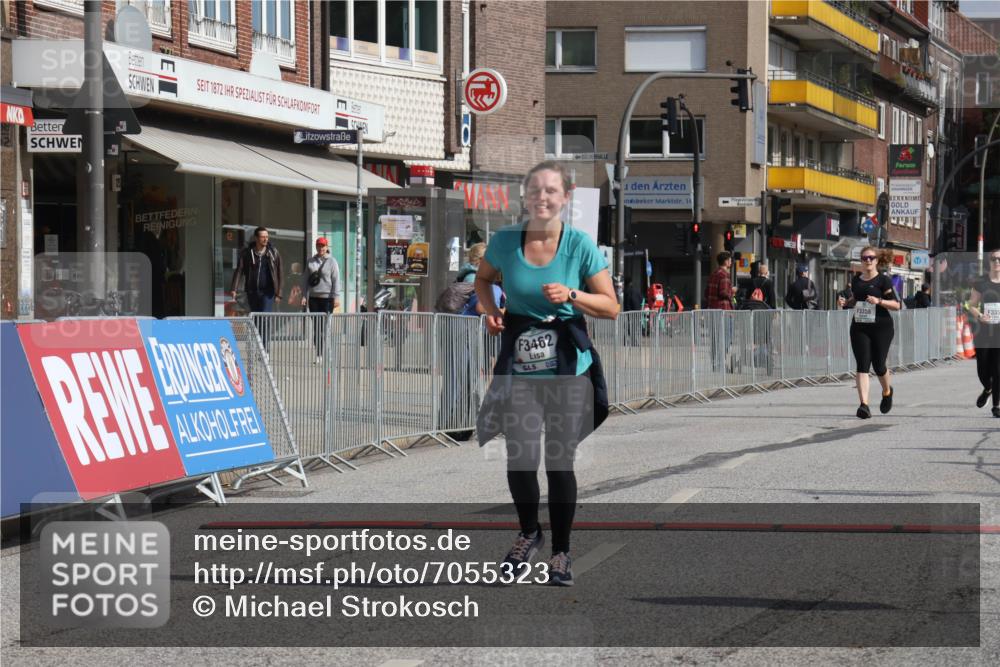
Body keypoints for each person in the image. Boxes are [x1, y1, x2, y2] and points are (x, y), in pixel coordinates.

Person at [474, 160, 618, 587]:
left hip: (568, 367)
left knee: (559, 463)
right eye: (535, 190)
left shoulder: (579, 245)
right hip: (520, 365)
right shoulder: (504, 242)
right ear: (525, 196)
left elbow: (611, 306)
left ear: (565, 198)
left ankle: (561, 552)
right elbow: (484, 280)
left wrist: (573, 294)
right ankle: (528, 533)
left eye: (551, 191)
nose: (542, 197)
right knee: (520, 460)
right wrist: (489, 310)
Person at [837, 247, 901, 419]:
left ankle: (887, 391)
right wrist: (845, 302)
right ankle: (864, 405)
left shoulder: (884, 280)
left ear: (877, 260)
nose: (867, 261)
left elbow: (897, 305)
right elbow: (854, 300)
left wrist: (878, 300)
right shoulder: (856, 280)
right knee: (862, 364)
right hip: (860, 326)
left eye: (871, 258)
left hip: (881, 326)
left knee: (879, 365)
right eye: (864, 258)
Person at [967, 250, 1000, 417]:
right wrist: (980, 315)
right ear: (990, 261)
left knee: (998, 370)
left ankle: (997, 406)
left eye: (999, 259)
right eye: (994, 259)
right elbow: (970, 304)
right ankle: (987, 388)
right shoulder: (981, 282)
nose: (997, 262)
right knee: (983, 370)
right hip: (984, 331)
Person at [301, 237, 342, 362]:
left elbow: (336, 280)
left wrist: (336, 297)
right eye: (319, 246)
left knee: (326, 327)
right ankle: (319, 354)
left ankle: (328, 352)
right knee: (316, 328)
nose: (321, 248)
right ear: (316, 246)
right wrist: (304, 295)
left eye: (323, 246)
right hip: (314, 298)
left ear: (327, 247)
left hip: (327, 298)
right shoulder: (310, 261)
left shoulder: (332, 261)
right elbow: (305, 280)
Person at [230, 226, 283, 313]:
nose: (266, 239)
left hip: (268, 292)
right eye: (263, 237)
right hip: (252, 291)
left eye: (267, 237)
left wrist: (279, 294)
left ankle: (264, 327)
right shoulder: (247, 253)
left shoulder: (274, 253)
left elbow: (280, 273)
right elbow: (239, 270)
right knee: (255, 317)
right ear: (256, 238)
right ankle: (257, 327)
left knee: (265, 316)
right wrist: (234, 289)